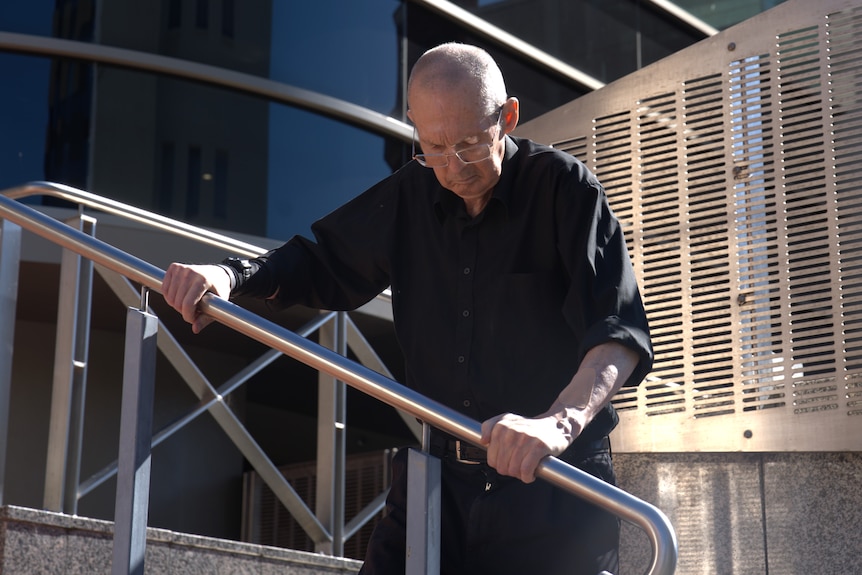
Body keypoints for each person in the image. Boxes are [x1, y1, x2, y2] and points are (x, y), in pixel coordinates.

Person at [162, 43, 652, 575]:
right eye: (434, 147)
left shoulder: (566, 188)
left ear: (507, 117)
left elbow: (617, 331)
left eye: (469, 143)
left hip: (555, 484)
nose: (453, 167)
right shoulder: (409, 193)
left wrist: (557, 424)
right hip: (440, 479)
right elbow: (321, 261)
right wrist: (231, 275)